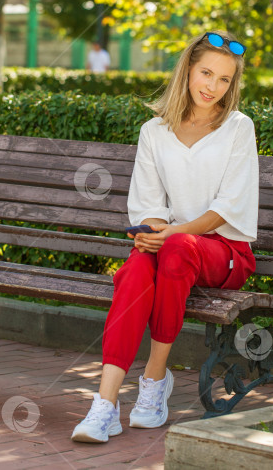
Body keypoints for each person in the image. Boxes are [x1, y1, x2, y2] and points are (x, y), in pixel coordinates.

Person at [71, 29, 259, 443]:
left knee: (174, 246)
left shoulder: (238, 128)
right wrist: (151, 233)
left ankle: (154, 381)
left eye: (224, 79)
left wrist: (172, 233)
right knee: (138, 267)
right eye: (206, 73)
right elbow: (148, 205)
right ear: (187, 70)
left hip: (226, 254)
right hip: (174, 248)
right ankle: (104, 405)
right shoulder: (154, 131)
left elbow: (227, 208)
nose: (212, 86)